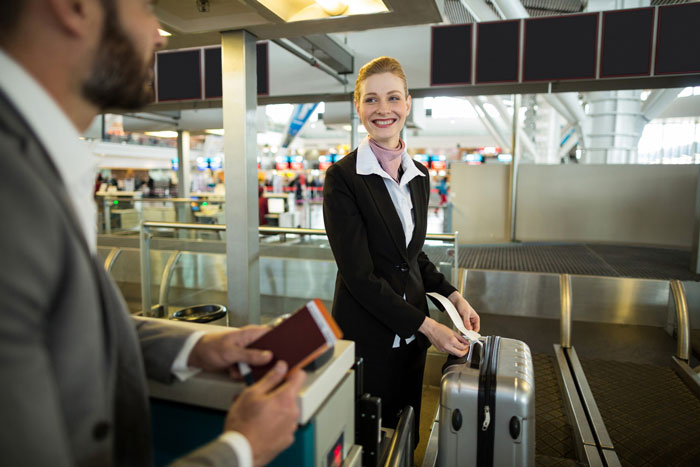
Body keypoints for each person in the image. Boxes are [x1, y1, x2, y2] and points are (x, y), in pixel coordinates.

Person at [0, 1, 304, 466]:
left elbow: (71, 325)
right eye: (144, 6)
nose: (161, 36)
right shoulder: (13, 192)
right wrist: (242, 449)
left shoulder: (43, 168)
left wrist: (198, 346)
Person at [322, 56, 480, 439]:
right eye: (371, 100)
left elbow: (412, 256)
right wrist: (429, 327)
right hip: (368, 337)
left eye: (393, 98)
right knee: (368, 438)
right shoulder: (344, 178)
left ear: (407, 103)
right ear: (358, 107)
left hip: (410, 337)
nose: (383, 110)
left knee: (406, 432)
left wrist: (453, 296)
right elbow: (359, 276)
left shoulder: (419, 175)